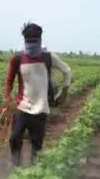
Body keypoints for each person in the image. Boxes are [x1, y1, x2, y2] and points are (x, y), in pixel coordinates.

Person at [4, 22, 72, 167]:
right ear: (24, 41)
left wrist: (64, 91)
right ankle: (16, 168)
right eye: (28, 41)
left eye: (34, 41)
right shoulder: (17, 58)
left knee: (36, 144)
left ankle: (34, 174)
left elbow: (67, 71)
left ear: (40, 40)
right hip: (22, 106)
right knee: (14, 138)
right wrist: (7, 98)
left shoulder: (48, 57)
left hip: (41, 108)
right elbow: (9, 80)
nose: (31, 45)